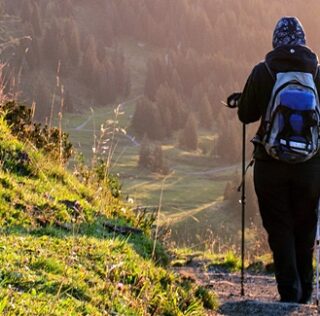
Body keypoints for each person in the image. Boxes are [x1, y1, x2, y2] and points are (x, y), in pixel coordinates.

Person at [237, 16, 320, 304]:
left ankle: (289, 291)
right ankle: (305, 295)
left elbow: (246, 114)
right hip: (310, 166)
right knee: (305, 227)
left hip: (270, 165)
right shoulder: (318, 73)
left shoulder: (265, 71)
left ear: (276, 42)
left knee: (280, 226)